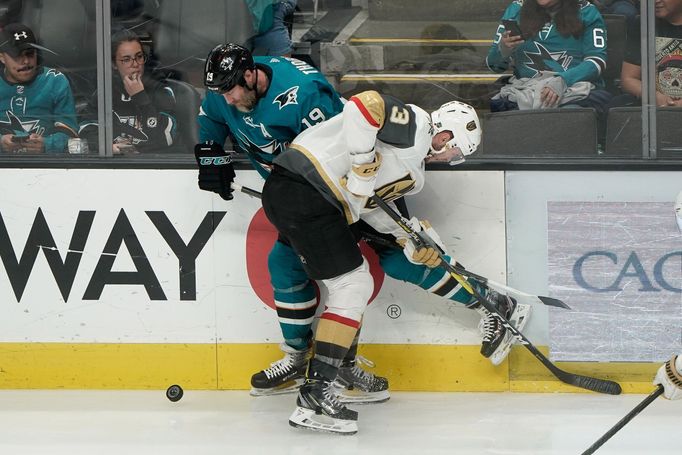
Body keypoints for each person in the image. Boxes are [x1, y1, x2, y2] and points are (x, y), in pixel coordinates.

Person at [195, 44, 529, 404]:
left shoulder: (304, 93)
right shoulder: (227, 89)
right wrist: (211, 155)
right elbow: (213, 118)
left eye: (232, 91)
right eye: (455, 152)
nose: (228, 100)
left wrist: (373, 192)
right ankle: (303, 358)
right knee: (292, 266)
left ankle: (487, 302)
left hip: (335, 190)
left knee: (394, 259)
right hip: (322, 190)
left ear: (249, 75)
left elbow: (334, 140)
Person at [256, 90, 526, 434]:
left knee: (358, 280)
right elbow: (364, 105)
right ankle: (316, 392)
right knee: (352, 285)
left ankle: (328, 378)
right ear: (446, 135)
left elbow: (373, 209)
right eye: (456, 151)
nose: (451, 158)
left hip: (312, 202)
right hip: (305, 189)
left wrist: (413, 241)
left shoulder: (414, 174)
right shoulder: (416, 124)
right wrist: (362, 167)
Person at [487, 0, 612, 114]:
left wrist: (563, 80)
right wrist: (503, 49)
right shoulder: (516, 9)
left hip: (573, 93)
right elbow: (494, 66)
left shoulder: (587, 11)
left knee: (570, 117)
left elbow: (597, 62)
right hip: (524, 92)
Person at [79, 29, 178, 154]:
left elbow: (167, 136)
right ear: (114, 64)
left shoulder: (160, 90)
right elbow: (86, 129)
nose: (135, 64)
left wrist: (141, 98)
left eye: (139, 57)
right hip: (115, 164)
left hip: (153, 164)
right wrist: (107, 146)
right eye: (126, 59)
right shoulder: (105, 93)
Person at [0, 23, 78, 154]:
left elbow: (70, 131)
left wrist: (47, 145)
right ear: (2, 57)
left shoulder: (55, 80)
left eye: (30, 54)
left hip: (46, 166)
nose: (25, 61)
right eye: (17, 55)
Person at [608, 0, 682, 108]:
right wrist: (652, 96)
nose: (655, 1)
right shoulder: (643, 24)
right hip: (652, 105)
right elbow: (628, 79)